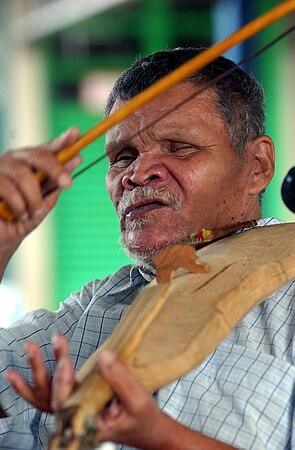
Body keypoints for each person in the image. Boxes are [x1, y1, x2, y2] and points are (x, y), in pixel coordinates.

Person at [0, 47, 293, 450]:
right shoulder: (97, 307)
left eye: (179, 147)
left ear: (257, 165)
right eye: (123, 156)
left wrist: (162, 437)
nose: (137, 174)